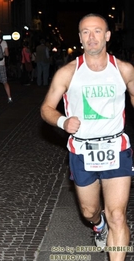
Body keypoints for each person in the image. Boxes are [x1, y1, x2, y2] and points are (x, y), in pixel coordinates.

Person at [40, 13, 134, 261]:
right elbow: (46, 108)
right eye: (85, 32)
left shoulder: (124, 70)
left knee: (117, 215)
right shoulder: (68, 72)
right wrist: (63, 121)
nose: (92, 37)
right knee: (89, 210)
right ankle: (98, 224)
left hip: (116, 148)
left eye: (97, 31)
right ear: (80, 38)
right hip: (82, 151)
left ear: (108, 35)